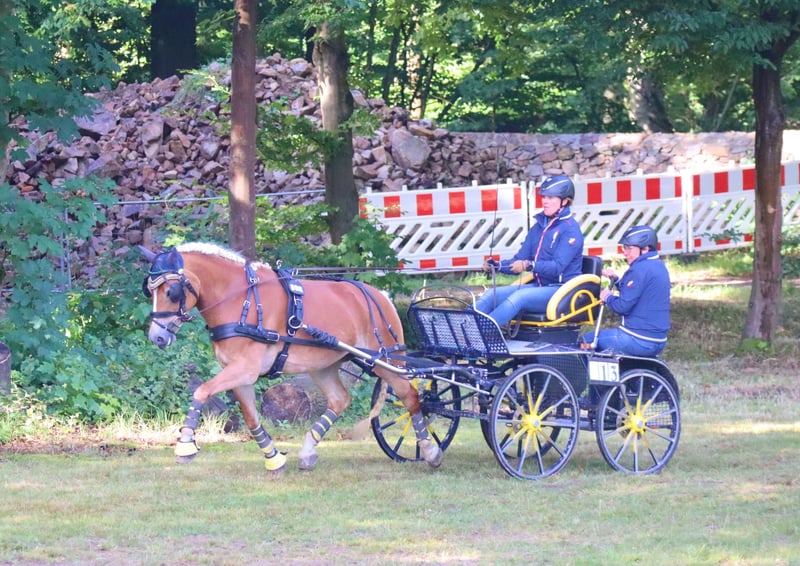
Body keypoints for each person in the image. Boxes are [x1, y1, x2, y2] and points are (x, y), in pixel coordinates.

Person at [475, 174, 584, 327]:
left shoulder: (571, 230)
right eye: (544, 197)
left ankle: (481, 333)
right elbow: (519, 259)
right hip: (540, 286)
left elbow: (557, 267)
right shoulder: (538, 227)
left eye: (551, 197)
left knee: (519, 297)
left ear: (564, 201)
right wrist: (497, 266)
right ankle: (458, 330)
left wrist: (529, 265)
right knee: (490, 295)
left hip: (563, 290)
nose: (545, 201)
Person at [584, 225, 670, 356]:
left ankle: (584, 370)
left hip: (637, 339)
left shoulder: (639, 269)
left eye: (629, 248)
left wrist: (607, 297)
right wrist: (616, 280)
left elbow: (622, 307)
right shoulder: (658, 266)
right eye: (624, 248)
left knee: (586, 341)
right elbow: (636, 291)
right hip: (658, 341)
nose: (625, 253)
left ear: (645, 249)